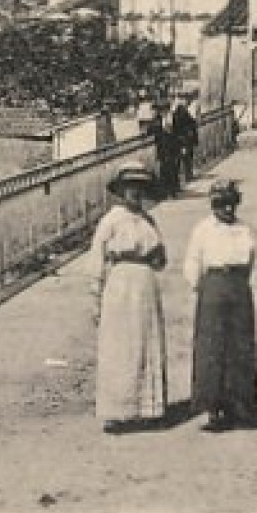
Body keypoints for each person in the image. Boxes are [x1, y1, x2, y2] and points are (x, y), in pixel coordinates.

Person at [87, 162, 169, 433]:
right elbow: (96, 259)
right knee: (121, 345)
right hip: (120, 284)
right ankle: (118, 411)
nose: (135, 192)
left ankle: (147, 409)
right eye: (129, 187)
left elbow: (161, 258)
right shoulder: (111, 220)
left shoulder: (148, 220)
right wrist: (95, 296)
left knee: (146, 342)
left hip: (145, 284)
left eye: (140, 187)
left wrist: (154, 257)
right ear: (121, 190)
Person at [183, 178, 257, 431]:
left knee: (241, 344)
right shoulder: (203, 229)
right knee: (212, 347)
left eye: (231, 204)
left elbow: (249, 262)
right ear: (213, 205)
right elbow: (192, 262)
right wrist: (203, 288)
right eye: (221, 204)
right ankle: (212, 407)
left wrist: (238, 283)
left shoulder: (244, 229)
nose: (227, 209)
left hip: (238, 286)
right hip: (213, 287)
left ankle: (240, 405)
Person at [150, 105, 181, 197]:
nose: (161, 112)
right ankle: (167, 191)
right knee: (164, 169)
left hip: (171, 147)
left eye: (162, 110)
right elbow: (151, 131)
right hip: (162, 148)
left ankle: (172, 190)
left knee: (171, 168)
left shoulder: (172, 118)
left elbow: (176, 132)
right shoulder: (157, 120)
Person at [170, 98, 199, 183]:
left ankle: (179, 179)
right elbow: (193, 125)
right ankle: (188, 176)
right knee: (187, 158)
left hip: (179, 140)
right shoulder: (186, 115)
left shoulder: (175, 116)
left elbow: (173, 129)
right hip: (186, 140)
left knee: (179, 160)